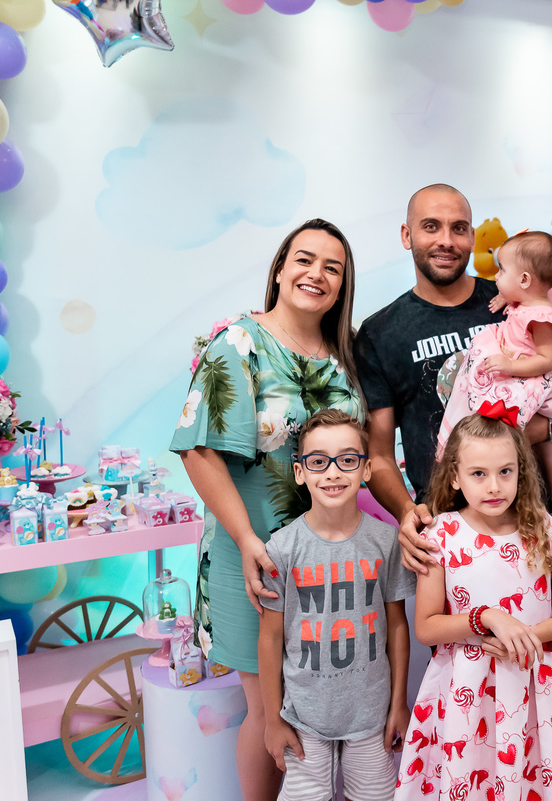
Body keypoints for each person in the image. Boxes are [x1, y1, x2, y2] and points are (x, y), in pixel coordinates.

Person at [171, 219, 365, 801]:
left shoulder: (345, 355)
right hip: (254, 558)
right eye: (304, 260)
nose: (316, 274)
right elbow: (199, 450)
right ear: (280, 269)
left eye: (332, 267)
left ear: (342, 285)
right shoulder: (238, 344)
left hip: (331, 560)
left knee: (321, 704)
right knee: (270, 711)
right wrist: (247, 540)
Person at [355, 184, 552, 574]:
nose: (446, 240)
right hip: (447, 534)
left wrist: (542, 430)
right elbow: (380, 454)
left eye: (459, 228)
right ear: (406, 235)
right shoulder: (380, 333)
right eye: (431, 226)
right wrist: (406, 511)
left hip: (531, 527)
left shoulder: (516, 303)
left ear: (472, 235)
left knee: (550, 617)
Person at [393, 409, 552, 800]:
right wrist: (487, 618)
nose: (494, 486)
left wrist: (526, 637)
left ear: (521, 471)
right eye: (479, 473)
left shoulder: (542, 527)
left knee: (534, 780)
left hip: (536, 682)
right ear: (454, 476)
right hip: (467, 688)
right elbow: (426, 626)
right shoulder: (440, 534)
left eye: (505, 471)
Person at [258, 410, 414, 801]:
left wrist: (399, 703)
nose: (332, 473)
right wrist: (272, 720)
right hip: (304, 719)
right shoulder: (281, 549)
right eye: (318, 461)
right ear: (300, 472)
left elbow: (397, 626)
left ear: (366, 469)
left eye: (347, 459)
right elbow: (270, 638)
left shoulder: (386, 541)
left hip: (371, 716)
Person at [436, 230, 552, 526]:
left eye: (502, 270)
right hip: (528, 368)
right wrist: (505, 296)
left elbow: (548, 358)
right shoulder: (527, 302)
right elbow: (517, 304)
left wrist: (509, 365)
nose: (496, 276)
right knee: (548, 452)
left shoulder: (542, 316)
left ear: (524, 280)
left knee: (545, 452)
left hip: (538, 377)